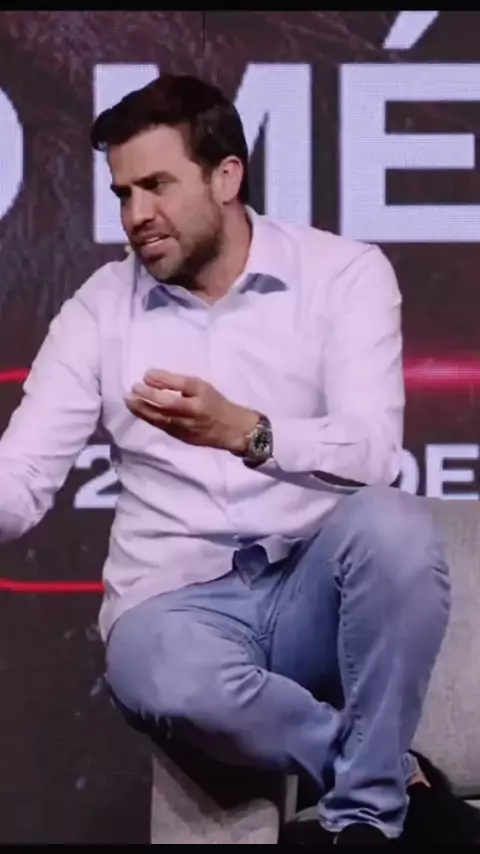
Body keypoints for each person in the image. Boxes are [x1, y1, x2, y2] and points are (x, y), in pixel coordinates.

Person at [0, 74, 450, 844]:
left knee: (395, 527)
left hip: (314, 587)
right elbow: (20, 482)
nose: (136, 216)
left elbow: (374, 455)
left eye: (157, 186)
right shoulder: (99, 309)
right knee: (160, 671)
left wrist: (249, 434)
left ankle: (363, 823)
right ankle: (384, 782)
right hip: (176, 608)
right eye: (123, 194)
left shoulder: (342, 274)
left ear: (226, 176)